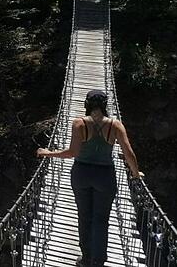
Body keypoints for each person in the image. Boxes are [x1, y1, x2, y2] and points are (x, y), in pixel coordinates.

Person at [36, 89, 143, 267]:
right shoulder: (115, 125)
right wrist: (135, 174)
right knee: (101, 219)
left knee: (84, 217)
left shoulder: (79, 123)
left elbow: (72, 153)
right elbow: (129, 153)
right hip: (104, 176)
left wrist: (48, 153)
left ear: (86, 104)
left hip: (81, 175)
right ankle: (98, 261)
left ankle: (86, 259)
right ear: (105, 105)